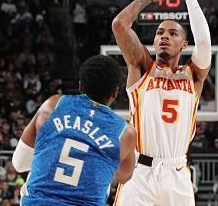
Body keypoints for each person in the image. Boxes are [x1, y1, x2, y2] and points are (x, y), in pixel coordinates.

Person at [112, 0, 211, 206]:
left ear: (183, 44)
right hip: (140, 173)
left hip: (177, 174)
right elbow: (119, 25)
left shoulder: (194, 75)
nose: (164, 36)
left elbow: (204, 41)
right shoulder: (142, 66)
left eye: (172, 33)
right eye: (159, 32)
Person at [11, 55, 136, 206]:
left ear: (80, 86)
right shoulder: (125, 132)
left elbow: (19, 164)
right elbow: (123, 177)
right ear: (115, 93)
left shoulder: (53, 105)